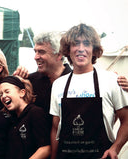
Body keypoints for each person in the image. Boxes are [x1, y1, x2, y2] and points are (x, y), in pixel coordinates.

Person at [50, 23, 128, 159]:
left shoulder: (111, 80)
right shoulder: (58, 84)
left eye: (86, 44)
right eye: (76, 44)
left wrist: (115, 148)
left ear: (94, 50)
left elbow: (126, 120)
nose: (81, 49)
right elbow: (56, 128)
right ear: (68, 49)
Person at [0, 75, 51, 159]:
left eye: (7, 91)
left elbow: (45, 148)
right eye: (1, 94)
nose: (3, 96)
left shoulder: (35, 112)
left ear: (22, 92)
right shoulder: (11, 118)